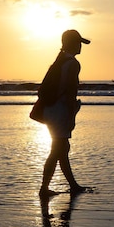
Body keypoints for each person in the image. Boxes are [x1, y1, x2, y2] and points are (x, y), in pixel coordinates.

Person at [39, 29, 90, 198]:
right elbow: (70, 93)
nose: (80, 47)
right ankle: (44, 188)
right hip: (59, 111)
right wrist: (71, 115)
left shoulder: (59, 61)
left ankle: (72, 185)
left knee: (61, 148)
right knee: (58, 149)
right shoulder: (73, 63)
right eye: (78, 43)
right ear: (71, 43)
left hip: (50, 110)